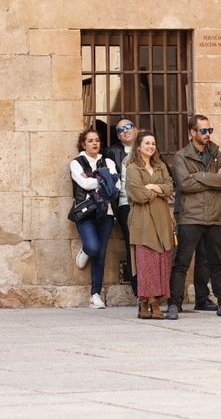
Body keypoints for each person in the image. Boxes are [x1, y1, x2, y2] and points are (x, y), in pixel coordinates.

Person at [168, 115, 221, 319]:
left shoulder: (216, 153)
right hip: (190, 217)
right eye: (203, 131)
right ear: (192, 133)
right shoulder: (181, 156)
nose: (207, 134)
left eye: (209, 130)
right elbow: (184, 184)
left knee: (215, 262)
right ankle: (174, 304)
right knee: (182, 262)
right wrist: (212, 178)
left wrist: (200, 177)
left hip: (213, 217)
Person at [125, 131, 175, 320]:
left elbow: (170, 186)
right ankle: (149, 300)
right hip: (142, 218)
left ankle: (148, 301)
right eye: (147, 143)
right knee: (146, 261)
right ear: (138, 146)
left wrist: (153, 187)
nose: (151, 146)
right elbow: (139, 195)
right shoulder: (132, 168)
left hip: (162, 217)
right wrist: (160, 190)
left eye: (153, 143)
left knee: (161, 260)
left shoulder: (160, 165)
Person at [69, 127, 120, 309]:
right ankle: (85, 251)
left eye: (97, 140)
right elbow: (83, 183)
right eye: (90, 141)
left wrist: (96, 179)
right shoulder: (76, 163)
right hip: (85, 211)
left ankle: (95, 294)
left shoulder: (107, 161)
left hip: (106, 211)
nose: (94, 143)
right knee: (93, 246)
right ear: (84, 144)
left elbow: (116, 185)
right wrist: (103, 179)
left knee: (101, 253)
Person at [104, 117, 138, 296]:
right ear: (117, 136)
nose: (125, 131)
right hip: (126, 205)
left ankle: (153, 287)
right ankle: (138, 290)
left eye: (128, 127)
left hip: (147, 205)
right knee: (132, 245)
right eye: (120, 130)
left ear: (136, 130)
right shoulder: (112, 152)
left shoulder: (147, 147)